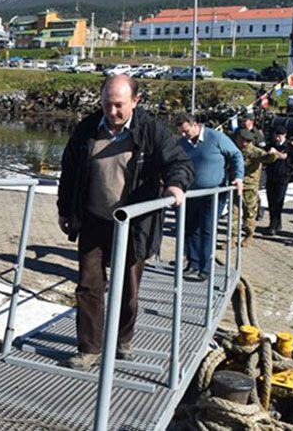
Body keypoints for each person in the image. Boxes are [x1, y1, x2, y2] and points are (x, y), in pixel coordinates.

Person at [57, 75, 193, 370]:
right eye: (107, 104)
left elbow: (179, 163)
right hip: (94, 220)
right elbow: (69, 171)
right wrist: (65, 210)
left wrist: (175, 185)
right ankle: (89, 348)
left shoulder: (152, 131)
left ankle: (123, 338)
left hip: (134, 224)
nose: (113, 111)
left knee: (128, 291)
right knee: (88, 286)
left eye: (119, 105)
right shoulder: (87, 129)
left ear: (135, 101)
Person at [176, 115, 244, 277]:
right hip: (191, 193)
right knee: (190, 228)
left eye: (186, 131)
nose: (185, 135)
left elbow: (236, 155)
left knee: (207, 229)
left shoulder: (216, 138)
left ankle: (205, 267)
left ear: (195, 125)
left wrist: (238, 177)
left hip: (213, 194)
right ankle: (193, 262)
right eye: (182, 133)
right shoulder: (183, 143)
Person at [233, 130, 280, 246]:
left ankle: (249, 235)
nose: (239, 141)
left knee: (249, 213)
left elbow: (268, 158)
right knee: (233, 213)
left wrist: (273, 154)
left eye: (241, 139)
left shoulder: (255, 151)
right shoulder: (235, 149)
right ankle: (232, 238)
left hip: (249, 187)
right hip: (235, 186)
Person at [264, 125, 293, 235]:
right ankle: (275, 223)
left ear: (284, 135)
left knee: (278, 201)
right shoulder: (271, 144)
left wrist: (275, 152)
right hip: (272, 175)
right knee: (271, 200)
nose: (277, 138)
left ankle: (274, 225)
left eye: (280, 135)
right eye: (276, 135)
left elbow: (285, 157)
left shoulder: (290, 146)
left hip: (283, 176)